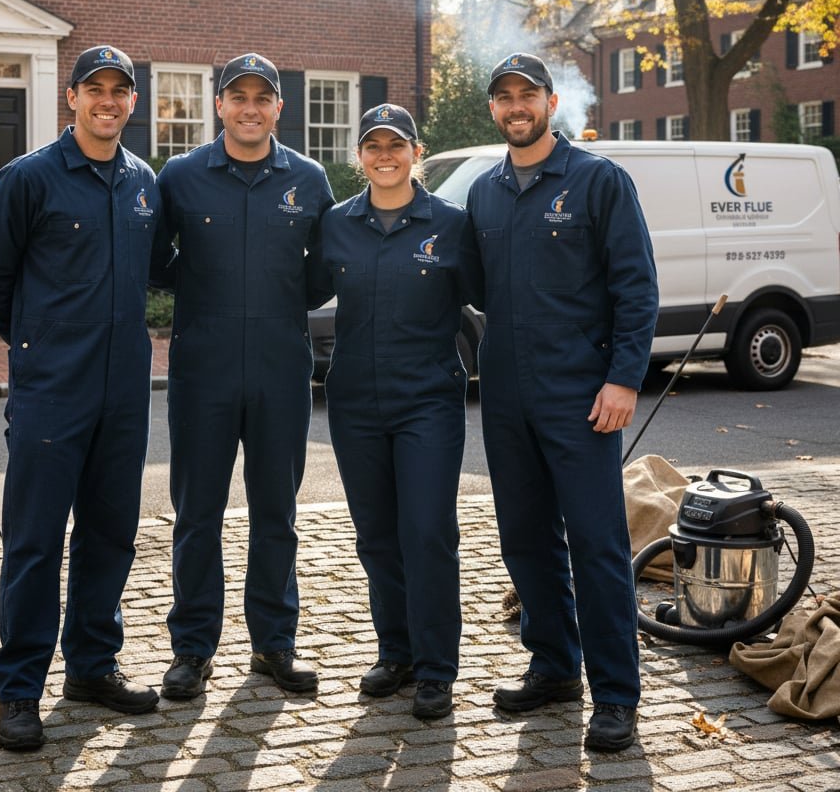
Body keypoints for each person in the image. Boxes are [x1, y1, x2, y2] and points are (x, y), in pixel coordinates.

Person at [0, 45, 173, 751]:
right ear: (73, 97)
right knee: (34, 541)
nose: (107, 101)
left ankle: (91, 666)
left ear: (132, 102)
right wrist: (38, 346)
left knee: (110, 532)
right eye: (95, 89)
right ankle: (19, 688)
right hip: (52, 389)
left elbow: (157, 269)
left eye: (120, 90)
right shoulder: (29, 177)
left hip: (125, 388)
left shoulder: (144, 182)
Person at [466, 52, 658, 752]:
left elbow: (636, 286)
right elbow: (476, 290)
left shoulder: (598, 180)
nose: (517, 107)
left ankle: (616, 694)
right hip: (506, 395)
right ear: (494, 108)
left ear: (550, 102)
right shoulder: (484, 193)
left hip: (581, 395)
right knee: (525, 538)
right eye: (505, 97)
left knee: (596, 543)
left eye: (529, 95)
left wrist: (624, 378)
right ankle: (553, 665)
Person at [154, 53, 334, 700]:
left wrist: (274, 301)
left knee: (276, 512)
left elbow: (323, 272)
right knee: (197, 513)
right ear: (220, 104)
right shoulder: (180, 176)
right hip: (202, 369)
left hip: (280, 368)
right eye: (239, 97)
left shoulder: (309, 179)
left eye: (263, 97)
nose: (250, 108)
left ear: (279, 107)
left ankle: (274, 644)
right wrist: (210, 291)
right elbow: (155, 260)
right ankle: (192, 649)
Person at [309, 104, 482, 720]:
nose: (385, 155)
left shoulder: (452, 224)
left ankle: (436, 667)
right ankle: (397, 652)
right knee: (377, 534)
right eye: (373, 146)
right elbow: (296, 289)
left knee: (427, 532)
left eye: (396, 145)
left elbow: (494, 295)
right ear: (359, 156)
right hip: (355, 402)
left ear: (416, 152)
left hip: (428, 402)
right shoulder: (337, 223)